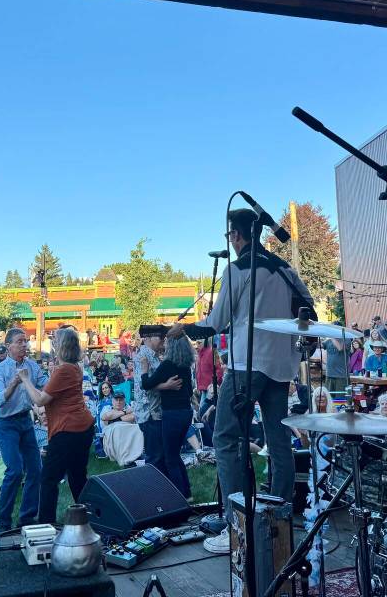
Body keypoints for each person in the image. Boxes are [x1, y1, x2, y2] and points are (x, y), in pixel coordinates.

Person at [167, 208, 313, 554]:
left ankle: (237, 524)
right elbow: (308, 309)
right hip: (281, 366)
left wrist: (182, 329)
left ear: (236, 235)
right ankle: (280, 512)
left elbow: (216, 323)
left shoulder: (237, 270)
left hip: (249, 364)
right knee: (278, 439)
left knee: (226, 436)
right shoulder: (284, 269)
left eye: (229, 237)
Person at [13, 327, 94, 525]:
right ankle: (90, 517)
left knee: (49, 478)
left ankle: (46, 524)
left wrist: (24, 379)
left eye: (55, 341)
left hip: (68, 430)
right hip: (83, 427)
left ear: (61, 346)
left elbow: (40, 400)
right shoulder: (75, 367)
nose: (53, 344)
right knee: (77, 476)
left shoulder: (64, 370)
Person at [0, 328, 48, 532]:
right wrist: (15, 381)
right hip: (6, 424)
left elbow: (46, 386)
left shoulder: (32, 366)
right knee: (14, 470)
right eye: (20, 341)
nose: (25, 345)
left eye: (26, 341)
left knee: (36, 469)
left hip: (25, 421)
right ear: (8, 346)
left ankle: (26, 518)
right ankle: (3, 522)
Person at [140, 335, 194, 499]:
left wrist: (144, 371)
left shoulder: (167, 365)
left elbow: (146, 385)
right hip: (186, 413)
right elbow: (190, 392)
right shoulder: (185, 367)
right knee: (175, 454)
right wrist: (167, 387)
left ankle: (179, 496)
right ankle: (187, 493)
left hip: (172, 415)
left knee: (170, 457)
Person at [131, 333, 180, 477]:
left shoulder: (153, 355)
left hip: (156, 412)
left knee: (161, 455)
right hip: (149, 413)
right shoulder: (143, 356)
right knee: (155, 457)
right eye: (159, 337)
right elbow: (143, 384)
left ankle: (163, 490)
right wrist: (167, 386)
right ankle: (154, 492)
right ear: (148, 338)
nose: (163, 339)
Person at [323, 330, 350, 394]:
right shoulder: (328, 341)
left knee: (340, 399)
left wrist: (332, 337)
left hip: (341, 375)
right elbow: (322, 348)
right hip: (329, 374)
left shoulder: (346, 339)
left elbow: (340, 348)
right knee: (329, 397)